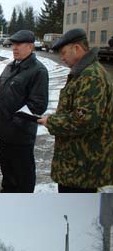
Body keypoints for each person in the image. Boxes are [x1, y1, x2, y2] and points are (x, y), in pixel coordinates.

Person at [37, 28, 113, 192]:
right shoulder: (84, 73)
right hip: (77, 163)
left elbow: (84, 120)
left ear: (77, 48)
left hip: (83, 169)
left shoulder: (91, 76)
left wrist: (52, 121)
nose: (61, 58)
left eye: (64, 52)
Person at [0, 30, 49, 192]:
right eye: (13, 45)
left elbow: (37, 104)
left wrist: (15, 122)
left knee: (22, 176)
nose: (14, 48)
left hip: (20, 134)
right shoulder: (11, 66)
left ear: (30, 46)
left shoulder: (38, 71)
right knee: (7, 173)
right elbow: (1, 90)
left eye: (18, 45)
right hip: (5, 132)